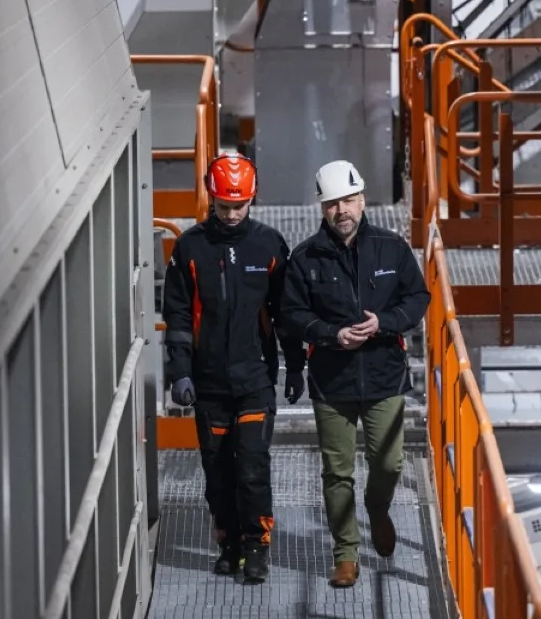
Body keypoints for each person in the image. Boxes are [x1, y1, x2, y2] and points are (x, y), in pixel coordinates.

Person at [279, 160, 431, 588]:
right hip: (333, 379)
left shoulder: (391, 248)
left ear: (362, 200)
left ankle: (377, 506)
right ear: (322, 208)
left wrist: (384, 322)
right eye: (332, 203)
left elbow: (418, 297)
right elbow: (292, 315)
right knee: (336, 470)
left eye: (347, 200)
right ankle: (345, 553)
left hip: (384, 375)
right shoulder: (305, 258)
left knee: (389, 461)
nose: (341, 210)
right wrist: (332, 334)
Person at [161, 153, 304, 584]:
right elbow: (180, 317)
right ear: (212, 198)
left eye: (239, 206)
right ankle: (228, 544)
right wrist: (180, 372)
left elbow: (286, 313)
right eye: (224, 206)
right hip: (208, 383)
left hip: (255, 379)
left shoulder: (270, 246)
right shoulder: (190, 249)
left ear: (252, 200)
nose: (231, 214)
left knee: (252, 466)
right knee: (218, 471)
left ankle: (257, 547)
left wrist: (295, 366)